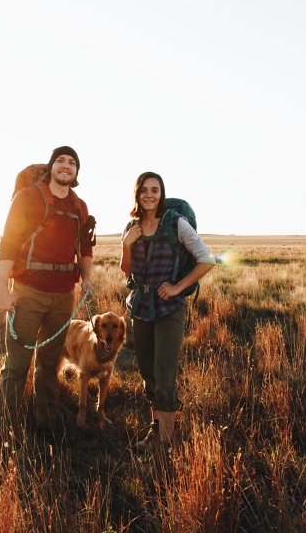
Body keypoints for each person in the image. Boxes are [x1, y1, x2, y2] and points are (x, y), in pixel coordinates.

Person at [0, 146, 94, 442]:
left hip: (64, 296)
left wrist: (86, 279)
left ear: (76, 173)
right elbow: (8, 243)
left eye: (72, 162)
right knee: (17, 364)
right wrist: (1, 290)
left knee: (50, 363)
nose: (66, 165)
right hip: (28, 292)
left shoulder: (80, 206)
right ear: (51, 167)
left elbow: (86, 249)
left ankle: (46, 423)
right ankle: (3, 432)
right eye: (60, 160)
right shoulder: (27, 198)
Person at [121, 171, 215, 451]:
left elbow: (206, 259)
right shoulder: (131, 226)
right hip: (141, 307)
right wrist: (126, 245)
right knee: (148, 372)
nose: (149, 195)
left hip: (169, 308)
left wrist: (177, 287)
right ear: (136, 194)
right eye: (144, 190)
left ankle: (166, 440)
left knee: (164, 373)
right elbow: (127, 270)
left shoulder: (176, 223)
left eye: (155, 190)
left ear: (161, 194)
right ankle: (157, 431)